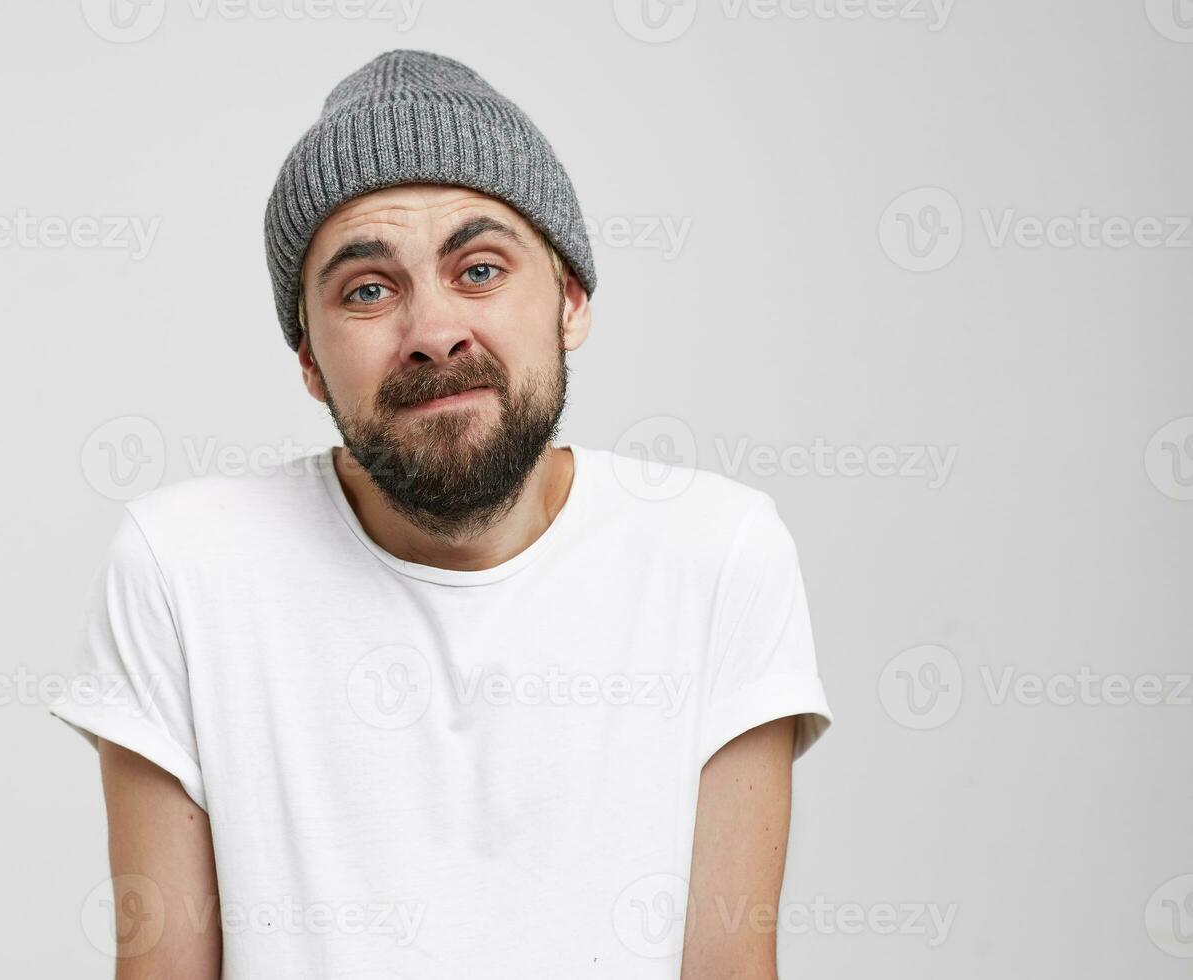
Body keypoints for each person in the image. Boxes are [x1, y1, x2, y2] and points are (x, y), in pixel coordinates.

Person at [51, 48, 833, 980]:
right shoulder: (183, 565)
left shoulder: (718, 553)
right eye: (368, 290)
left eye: (480, 269)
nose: (432, 332)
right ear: (308, 361)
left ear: (571, 298)